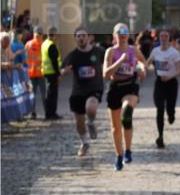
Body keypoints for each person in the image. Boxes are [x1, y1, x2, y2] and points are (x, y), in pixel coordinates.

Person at [103, 22, 146, 171]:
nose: (122, 37)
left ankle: (128, 150)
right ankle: (119, 156)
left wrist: (141, 69)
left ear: (128, 35)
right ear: (114, 36)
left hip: (130, 86)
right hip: (115, 88)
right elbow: (106, 74)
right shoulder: (110, 52)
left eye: (124, 34)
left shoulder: (134, 50)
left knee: (126, 114)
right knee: (115, 128)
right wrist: (120, 61)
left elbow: (143, 63)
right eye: (119, 35)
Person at [60, 27, 104, 156]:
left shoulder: (99, 52)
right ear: (75, 39)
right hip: (78, 91)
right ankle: (84, 143)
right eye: (78, 36)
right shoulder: (72, 55)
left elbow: (109, 62)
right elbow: (62, 71)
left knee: (90, 108)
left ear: (89, 37)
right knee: (79, 123)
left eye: (83, 35)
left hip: (94, 88)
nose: (81, 38)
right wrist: (64, 72)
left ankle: (90, 122)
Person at [148, 28, 180, 148]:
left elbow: (179, 70)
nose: (163, 38)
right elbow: (147, 63)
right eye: (161, 36)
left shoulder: (174, 53)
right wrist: (142, 68)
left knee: (170, 108)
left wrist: (169, 76)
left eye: (166, 36)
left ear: (169, 38)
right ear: (158, 38)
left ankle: (171, 114)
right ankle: (160, 136)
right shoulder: (155, 51)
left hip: (171, 83)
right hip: (159, 83)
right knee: (160, 108)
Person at [41, 26, 62, 119]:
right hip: (52, 73)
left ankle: (48, 113)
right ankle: (51, 114)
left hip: (46, 71)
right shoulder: (51, 45)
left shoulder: (44, 43)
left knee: (49, 94)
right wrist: (58, 74)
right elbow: (54, 61)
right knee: (52, 95)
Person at [26, 25, 46, 119]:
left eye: (39, 34)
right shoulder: (43, 44)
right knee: (42, 94)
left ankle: (33, 113)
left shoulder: (28, 44)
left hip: (34, 73)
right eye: (38, 33)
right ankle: (46, 112)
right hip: (37, 73)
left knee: (33, 95)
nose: (38, 35)